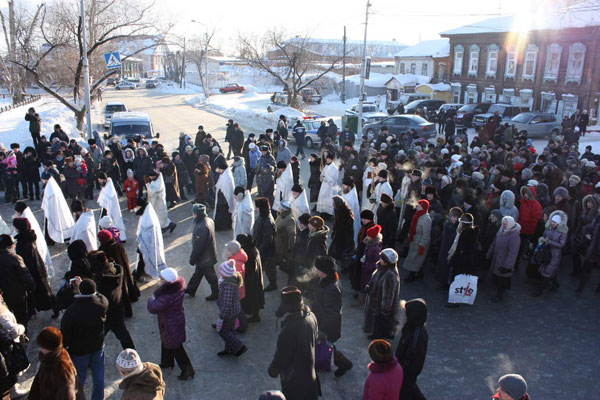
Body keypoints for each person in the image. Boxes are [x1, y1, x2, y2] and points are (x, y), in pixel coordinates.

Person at [268, 286, 320, 400]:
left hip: (294, 381)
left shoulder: (289, 329)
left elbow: (282, 355)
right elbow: (315, 339)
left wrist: (273, 369)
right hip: (310, 374)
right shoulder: (311, 316)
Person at [60, 278, 108, 400]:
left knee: (79, 379)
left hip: (79, 351)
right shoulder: (102, 304)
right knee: (98, 376)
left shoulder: (72, 311)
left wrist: (63, 348)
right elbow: (102, 297)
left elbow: (65, 333)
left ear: (80, 291)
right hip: (97, 346)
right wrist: (92, 290)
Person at [147, 267, 195, 380]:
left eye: (162, 278)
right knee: (166, 341)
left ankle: (188, 369)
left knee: (176, 346)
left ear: (167, 281)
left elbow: (153, 308)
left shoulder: (167, 296)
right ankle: (167, 362)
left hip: (170, 322)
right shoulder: (177, 288)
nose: (160, 280)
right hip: (175, 320)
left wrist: (151, 299)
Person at [311, 256, 353, 377]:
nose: (316, 271)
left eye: (318, 269)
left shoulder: (331, 288)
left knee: (326, 346)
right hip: (320, 321)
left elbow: (331, 313)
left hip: (326, 326)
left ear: (324, 271)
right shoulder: (327, 280)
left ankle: (344, 364)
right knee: (323, 346)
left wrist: (322, 330)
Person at [89, 251, 135, 350]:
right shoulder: (115, 269)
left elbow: (97, 298)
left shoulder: (101, 280)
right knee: (123, 335)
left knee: (97, 339)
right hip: (117, 307)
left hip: (106, 313)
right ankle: (132, 353)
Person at [12, 218, 56, 318]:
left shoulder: (22, 243)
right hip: (38, 268)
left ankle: (49, 307)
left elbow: (24, 260)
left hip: (32, 270)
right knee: (44, 289)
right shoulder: (29, 237)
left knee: (39, 292)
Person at [29, 326, 86, 400]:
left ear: (49, 347)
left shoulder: (63, 369)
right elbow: (37, 384)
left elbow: (68, 396)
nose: (40, 349)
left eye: (42, 347)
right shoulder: (48, 359)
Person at [98, 230, 139, 318]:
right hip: (124, 268)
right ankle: (132, 297)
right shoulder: (117, 245)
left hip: (115, 273)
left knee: (121, 290)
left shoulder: (104, 250)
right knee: (127, 282)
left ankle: (126, 310)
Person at [364, 248, 401, 340]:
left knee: (380, 322)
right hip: (376, 301)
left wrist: (385, 309)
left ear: (387, 262)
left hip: (381, 305)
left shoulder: (390, 275)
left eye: (382, 259)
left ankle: (378, 336)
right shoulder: (381, 268)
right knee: (376, 320)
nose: (379, 259)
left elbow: (389, 295)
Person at [395, 298, 428, 400]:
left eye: (405, 313)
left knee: (406, 391)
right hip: (405, 372)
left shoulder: (417, 334)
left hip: (407, 372)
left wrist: (398, 369)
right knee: (411, 390)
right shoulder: (411, 327)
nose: (403, 315)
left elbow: (412, 357)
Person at [185, 203, 219, 301]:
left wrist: (192, 259)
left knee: (211, 277)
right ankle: (190, 290)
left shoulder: (201, 227)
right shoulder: (209, 220)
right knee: (198, 273)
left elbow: (198, 247)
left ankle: (216, 293)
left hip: (205, 258)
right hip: (209, 254)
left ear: (196, 214)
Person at [215, 260, 247, 357]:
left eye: (220, 270)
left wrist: (221, 316)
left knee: (223, 331)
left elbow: (227, 304)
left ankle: (240, 346)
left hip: (229, 313)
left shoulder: (228, 286)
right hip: (234, 310)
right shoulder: (229, 280)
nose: (219, 272)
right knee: (230, 330)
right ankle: (229, 349)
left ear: (225, 273)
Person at [0, 294, 29, 399]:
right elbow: (13, 332)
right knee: (11, 368)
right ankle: (13, 391)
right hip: (8, 346)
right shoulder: (2, 315)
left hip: (7, 346)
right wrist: (21, 327)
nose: (1, 295)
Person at [533, 210, 568, 297]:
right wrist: (542, 239)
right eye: (552, 221)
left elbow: (561, 244)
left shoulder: (562, 232)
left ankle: (539, 291)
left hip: (555, 255)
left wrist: (549, 242)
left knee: (548, 272)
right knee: (550, 271)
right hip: (546, 252)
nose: (552, 223)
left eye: (554, 222)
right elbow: (544, 235)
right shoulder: (548, 228)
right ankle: (555, 284)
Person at [487, 216, 521, 302]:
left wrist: (507, 266)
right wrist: (489, 253)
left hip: (504, 262)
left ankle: (499, 295)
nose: (503, 225)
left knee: (501, 280)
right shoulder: (501, 230)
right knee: (497, 278)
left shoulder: (514, 236)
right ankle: (499, 293)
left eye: (505, 224)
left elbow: (512, 253)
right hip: (497, 259)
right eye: (503, 223)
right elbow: (494, 243)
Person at [237, 233, 265, 323]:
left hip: (252, 279)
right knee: (255, 296)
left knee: (252, 297)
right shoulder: (252, 248)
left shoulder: (250, 253)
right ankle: (254, 314)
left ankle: (255, 316)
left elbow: (250, 268)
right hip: (255, 278)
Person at [403, 199, 432, 283]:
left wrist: (422, 245)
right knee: (415, 259)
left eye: (419, 206)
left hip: (420, 243)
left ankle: (412, 275)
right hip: (415, 240)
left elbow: (426, 235)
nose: (416, 207)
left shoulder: (426, 219)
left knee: (416, 260)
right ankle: (419, 273)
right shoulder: (417, 215)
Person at [253, 197, 277, 291]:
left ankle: (273, 284)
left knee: (269, 268)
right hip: (261, 248)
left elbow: (267, 240)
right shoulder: (262, 216)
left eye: (257, 207)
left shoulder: (268, 221)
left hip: (266, 251)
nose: (256, 209)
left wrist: (259, 251)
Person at [328, 195, 354, 269]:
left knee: (341, 252)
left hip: (344, 236)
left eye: (334, 202)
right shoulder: (337, 210)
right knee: (333, 251)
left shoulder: (345, 212)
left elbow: (348, 225)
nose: (332, 204)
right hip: (338, 234)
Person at [274, 200, 296, 274]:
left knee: (284, 257)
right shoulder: (281, 215)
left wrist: (290, 247)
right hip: (279, 241)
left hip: (283, 243)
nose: (279, 208)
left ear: (283, 209)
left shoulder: (290, 219)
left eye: (280, 207)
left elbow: (292, 233)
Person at [213, 161, 235, 231]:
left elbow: (226, 189)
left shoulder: (226, 177)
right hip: (222, 197)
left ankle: (221, 227)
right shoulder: (225, 174)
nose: (219, 170)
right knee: (224, 213)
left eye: (220, 169)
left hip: (224, 199)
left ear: (223, 169)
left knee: (222, 213)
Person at [317, 153, 338, 218]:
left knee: (328, 200)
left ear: (332, 160)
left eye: (329, 159)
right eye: (327, 158)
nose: (328, 160)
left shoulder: (334, 168)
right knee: (322, 197)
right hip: (324, 185)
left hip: (330, 187)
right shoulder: (326, 166)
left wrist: (325, 178)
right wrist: (321, 176)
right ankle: (322, 211)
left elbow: (333, 179)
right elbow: (322, 173)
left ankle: (328, 214)